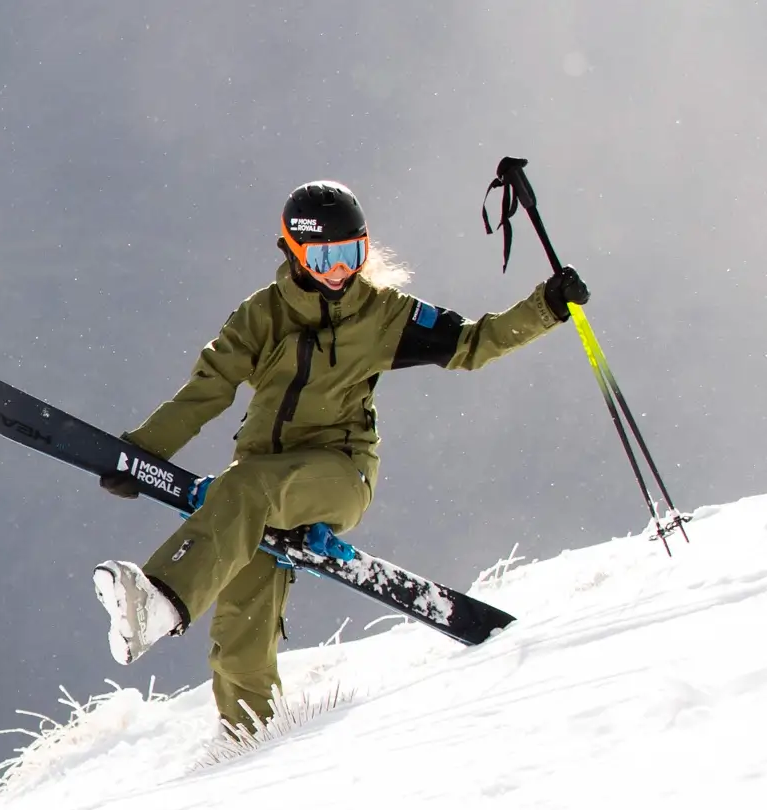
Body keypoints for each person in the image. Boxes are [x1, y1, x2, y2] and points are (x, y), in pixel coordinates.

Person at [91, 180, 588, 734]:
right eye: (324, 256)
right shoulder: (261, 316)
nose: (339, 270)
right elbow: (209, 387)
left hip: (338, 473)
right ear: (293, 251)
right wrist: (143, 450)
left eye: (352, 254)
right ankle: (248, 747)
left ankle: (159, 600)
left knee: (243, 489)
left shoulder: (385, 314)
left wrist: (545, 308)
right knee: (238, 642)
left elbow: (472, 343)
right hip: (258, 489)